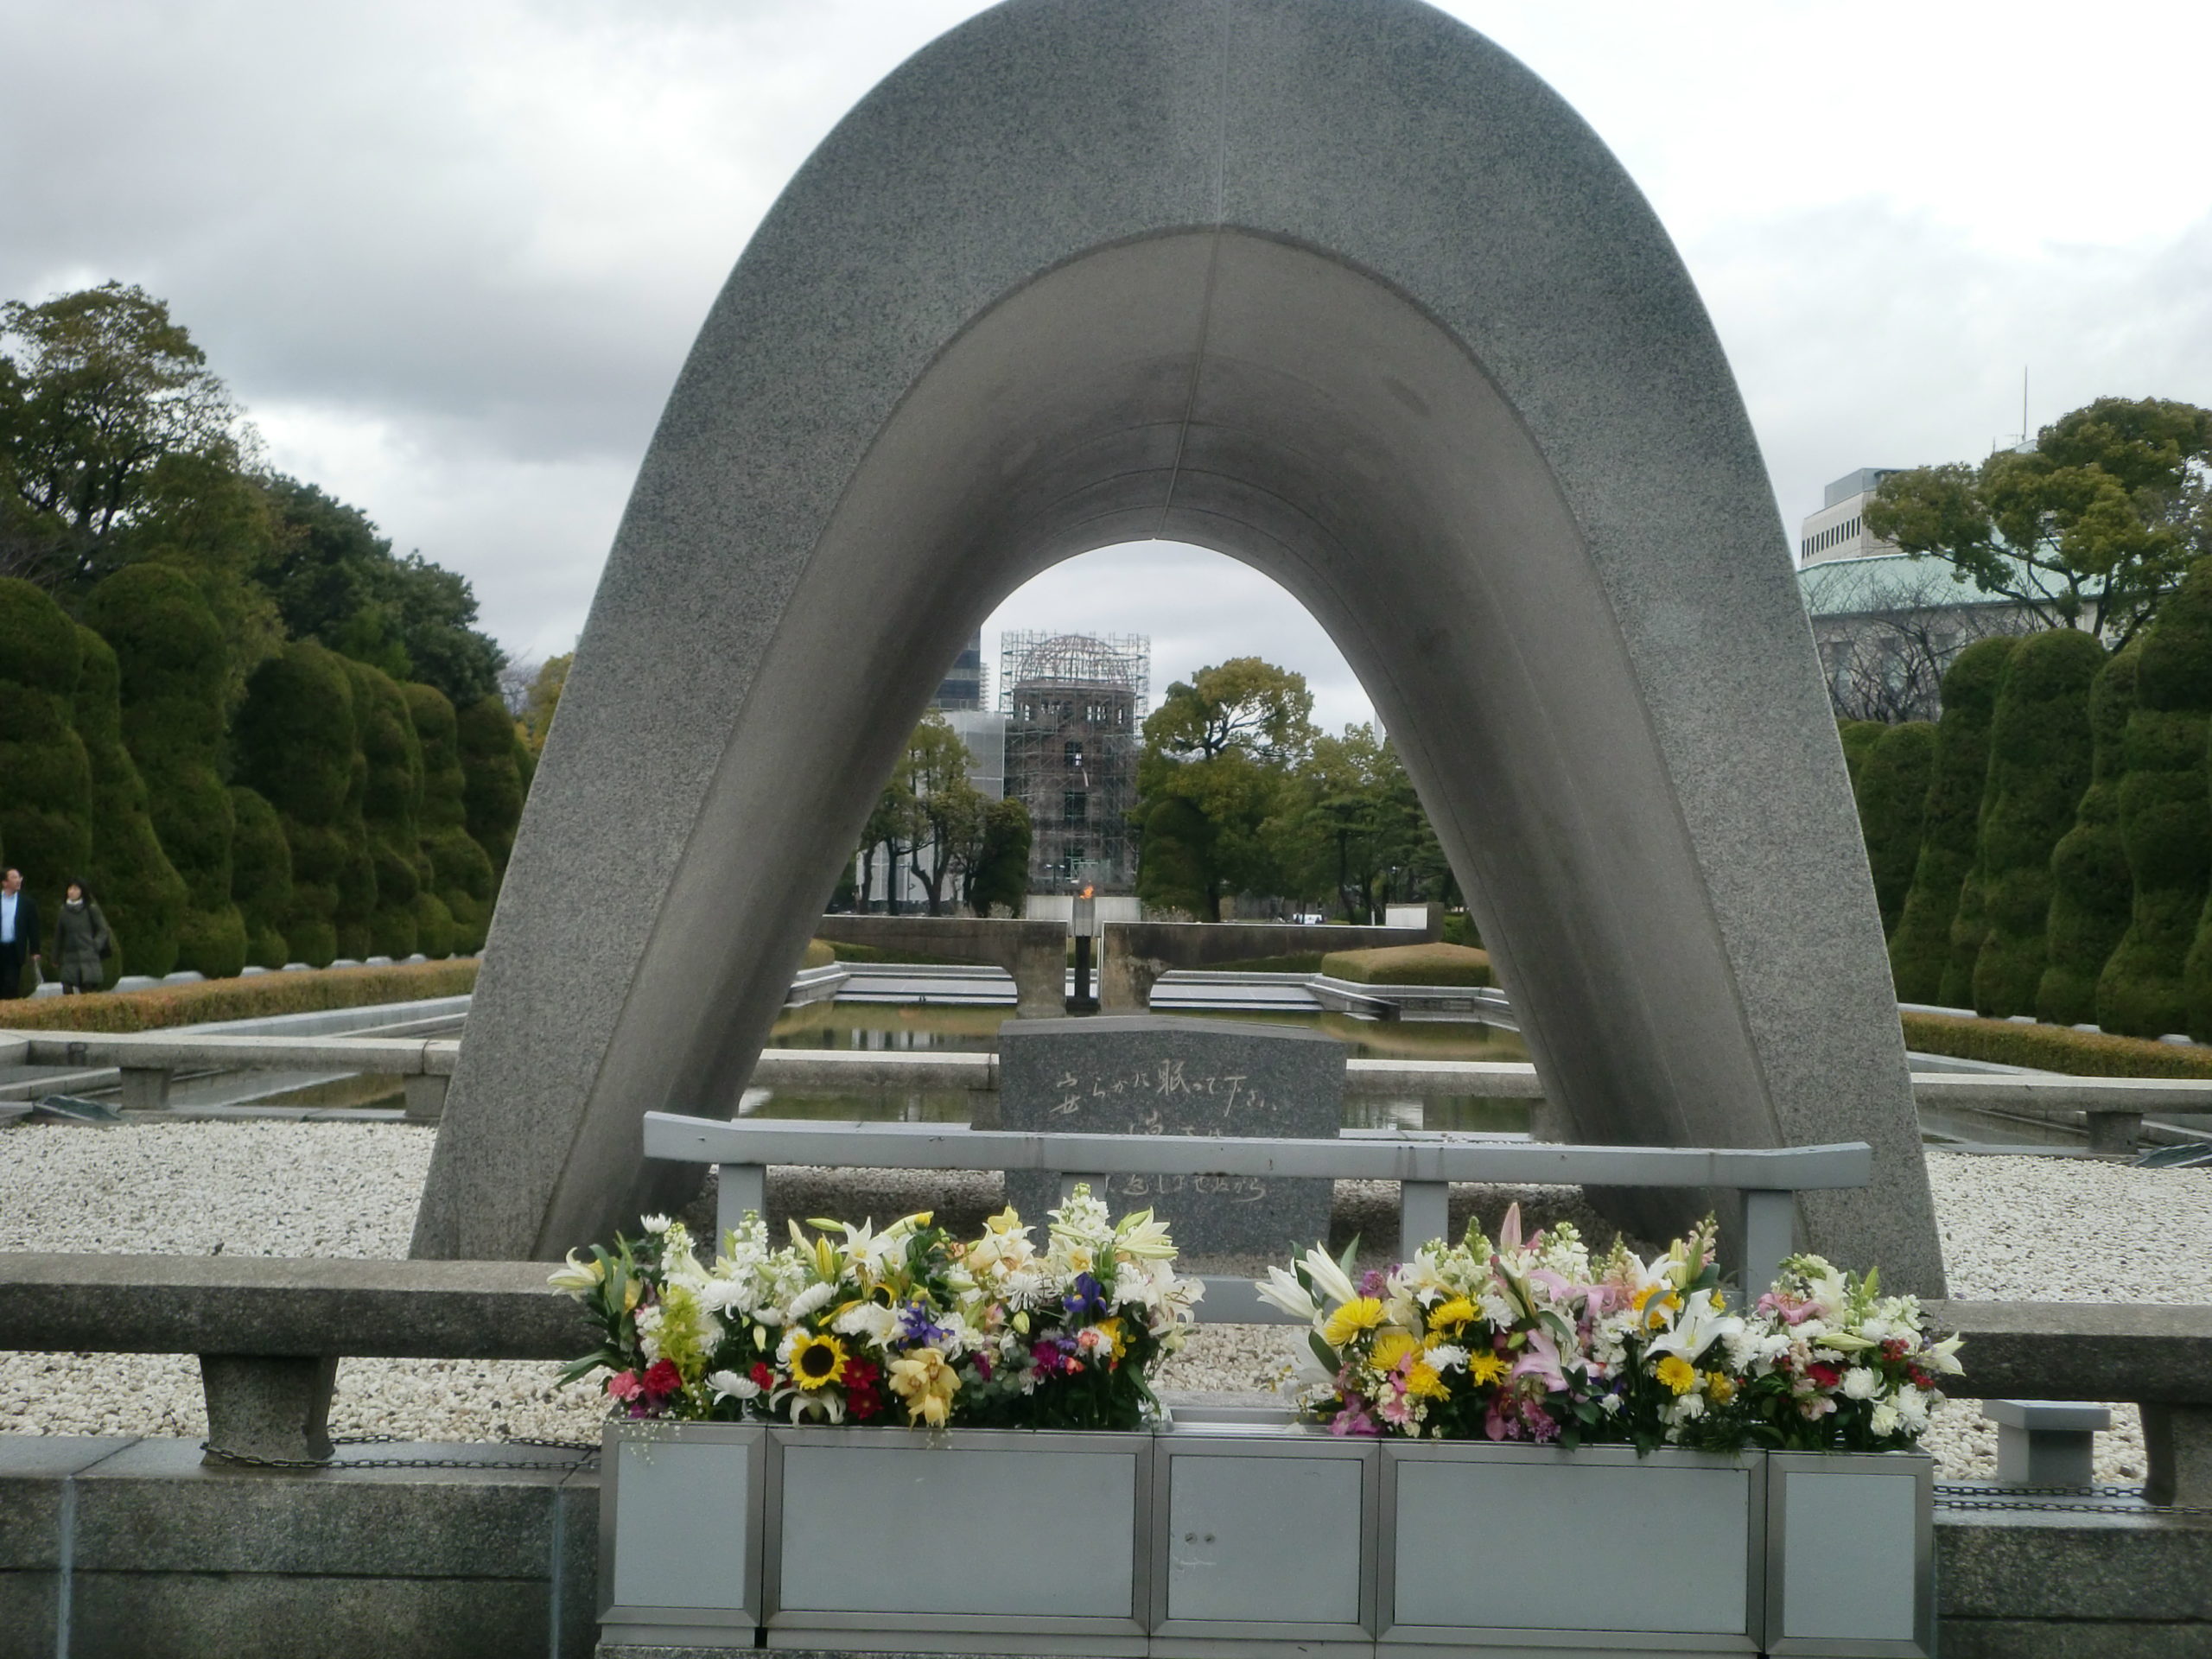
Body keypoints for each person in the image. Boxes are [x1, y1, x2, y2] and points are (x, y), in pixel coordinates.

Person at [50, 880, 113, 996]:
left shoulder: (91, 909)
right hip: (70, 957)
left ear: (82, 891)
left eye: (75, 889)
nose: (71, 892)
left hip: (88, 955)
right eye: (70, 889)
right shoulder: (63, 911)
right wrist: (55, 957)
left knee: (87, 990)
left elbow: (103, 929)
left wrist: (95, 945)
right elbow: (59, 935)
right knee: (67, 988)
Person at [0, 868, 41, 999]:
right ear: (4, 882)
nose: (18, 880)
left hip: (14, 949)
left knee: (11, 984)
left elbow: (33, 928)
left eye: (19, 877)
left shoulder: (27, 904)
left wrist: (35, 950)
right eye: (14, 877)